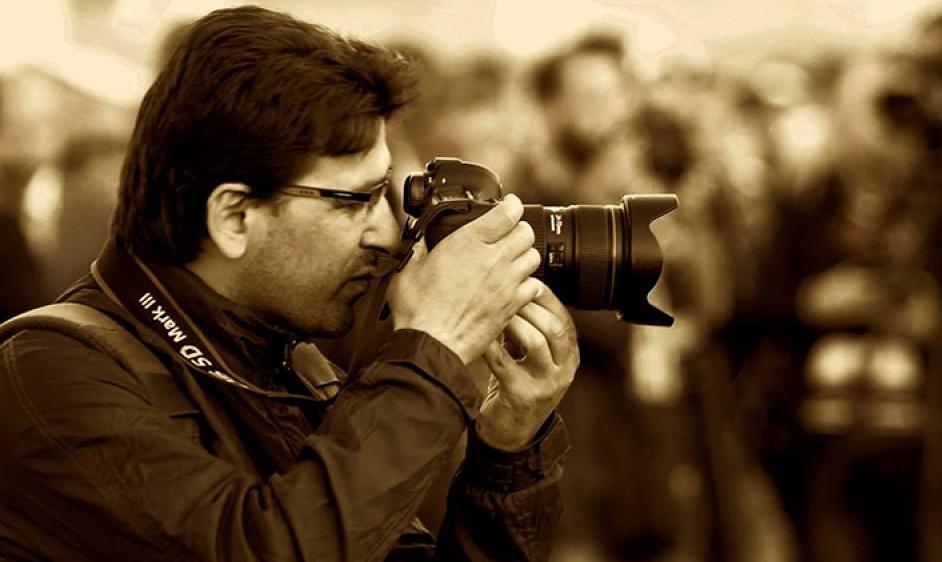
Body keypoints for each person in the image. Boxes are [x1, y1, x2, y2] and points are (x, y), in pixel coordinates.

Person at [0, 6, 579, 561]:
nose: (389, 233)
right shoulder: (46, 377)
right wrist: (434, 347)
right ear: (234, 217)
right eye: (357, 200)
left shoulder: (290, 368)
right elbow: (269, 550)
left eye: (388, 192)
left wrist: (507, 450)